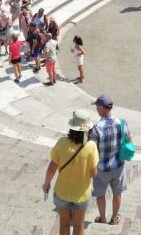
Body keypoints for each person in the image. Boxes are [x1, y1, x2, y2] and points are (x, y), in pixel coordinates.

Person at [43, 109, 99, 235]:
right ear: (88, 129)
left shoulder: (62, 142)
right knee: (79, 225)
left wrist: (46, 184)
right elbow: (94, 173)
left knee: (64, 223)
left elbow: (52, 168)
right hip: (82, 193)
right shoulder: (91, 146)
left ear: (72, 127)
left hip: (62, 191)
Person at [90, 95, 131, 226]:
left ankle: (102, 218)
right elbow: (129, 141)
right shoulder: (122, 123)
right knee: (117, 193)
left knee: (100, 195)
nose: (96, 108)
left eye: (97, 106)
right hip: (118, 166)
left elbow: (92, 150)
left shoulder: (96, 128)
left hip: (101, 169)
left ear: (102, 108)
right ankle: (114, 219)